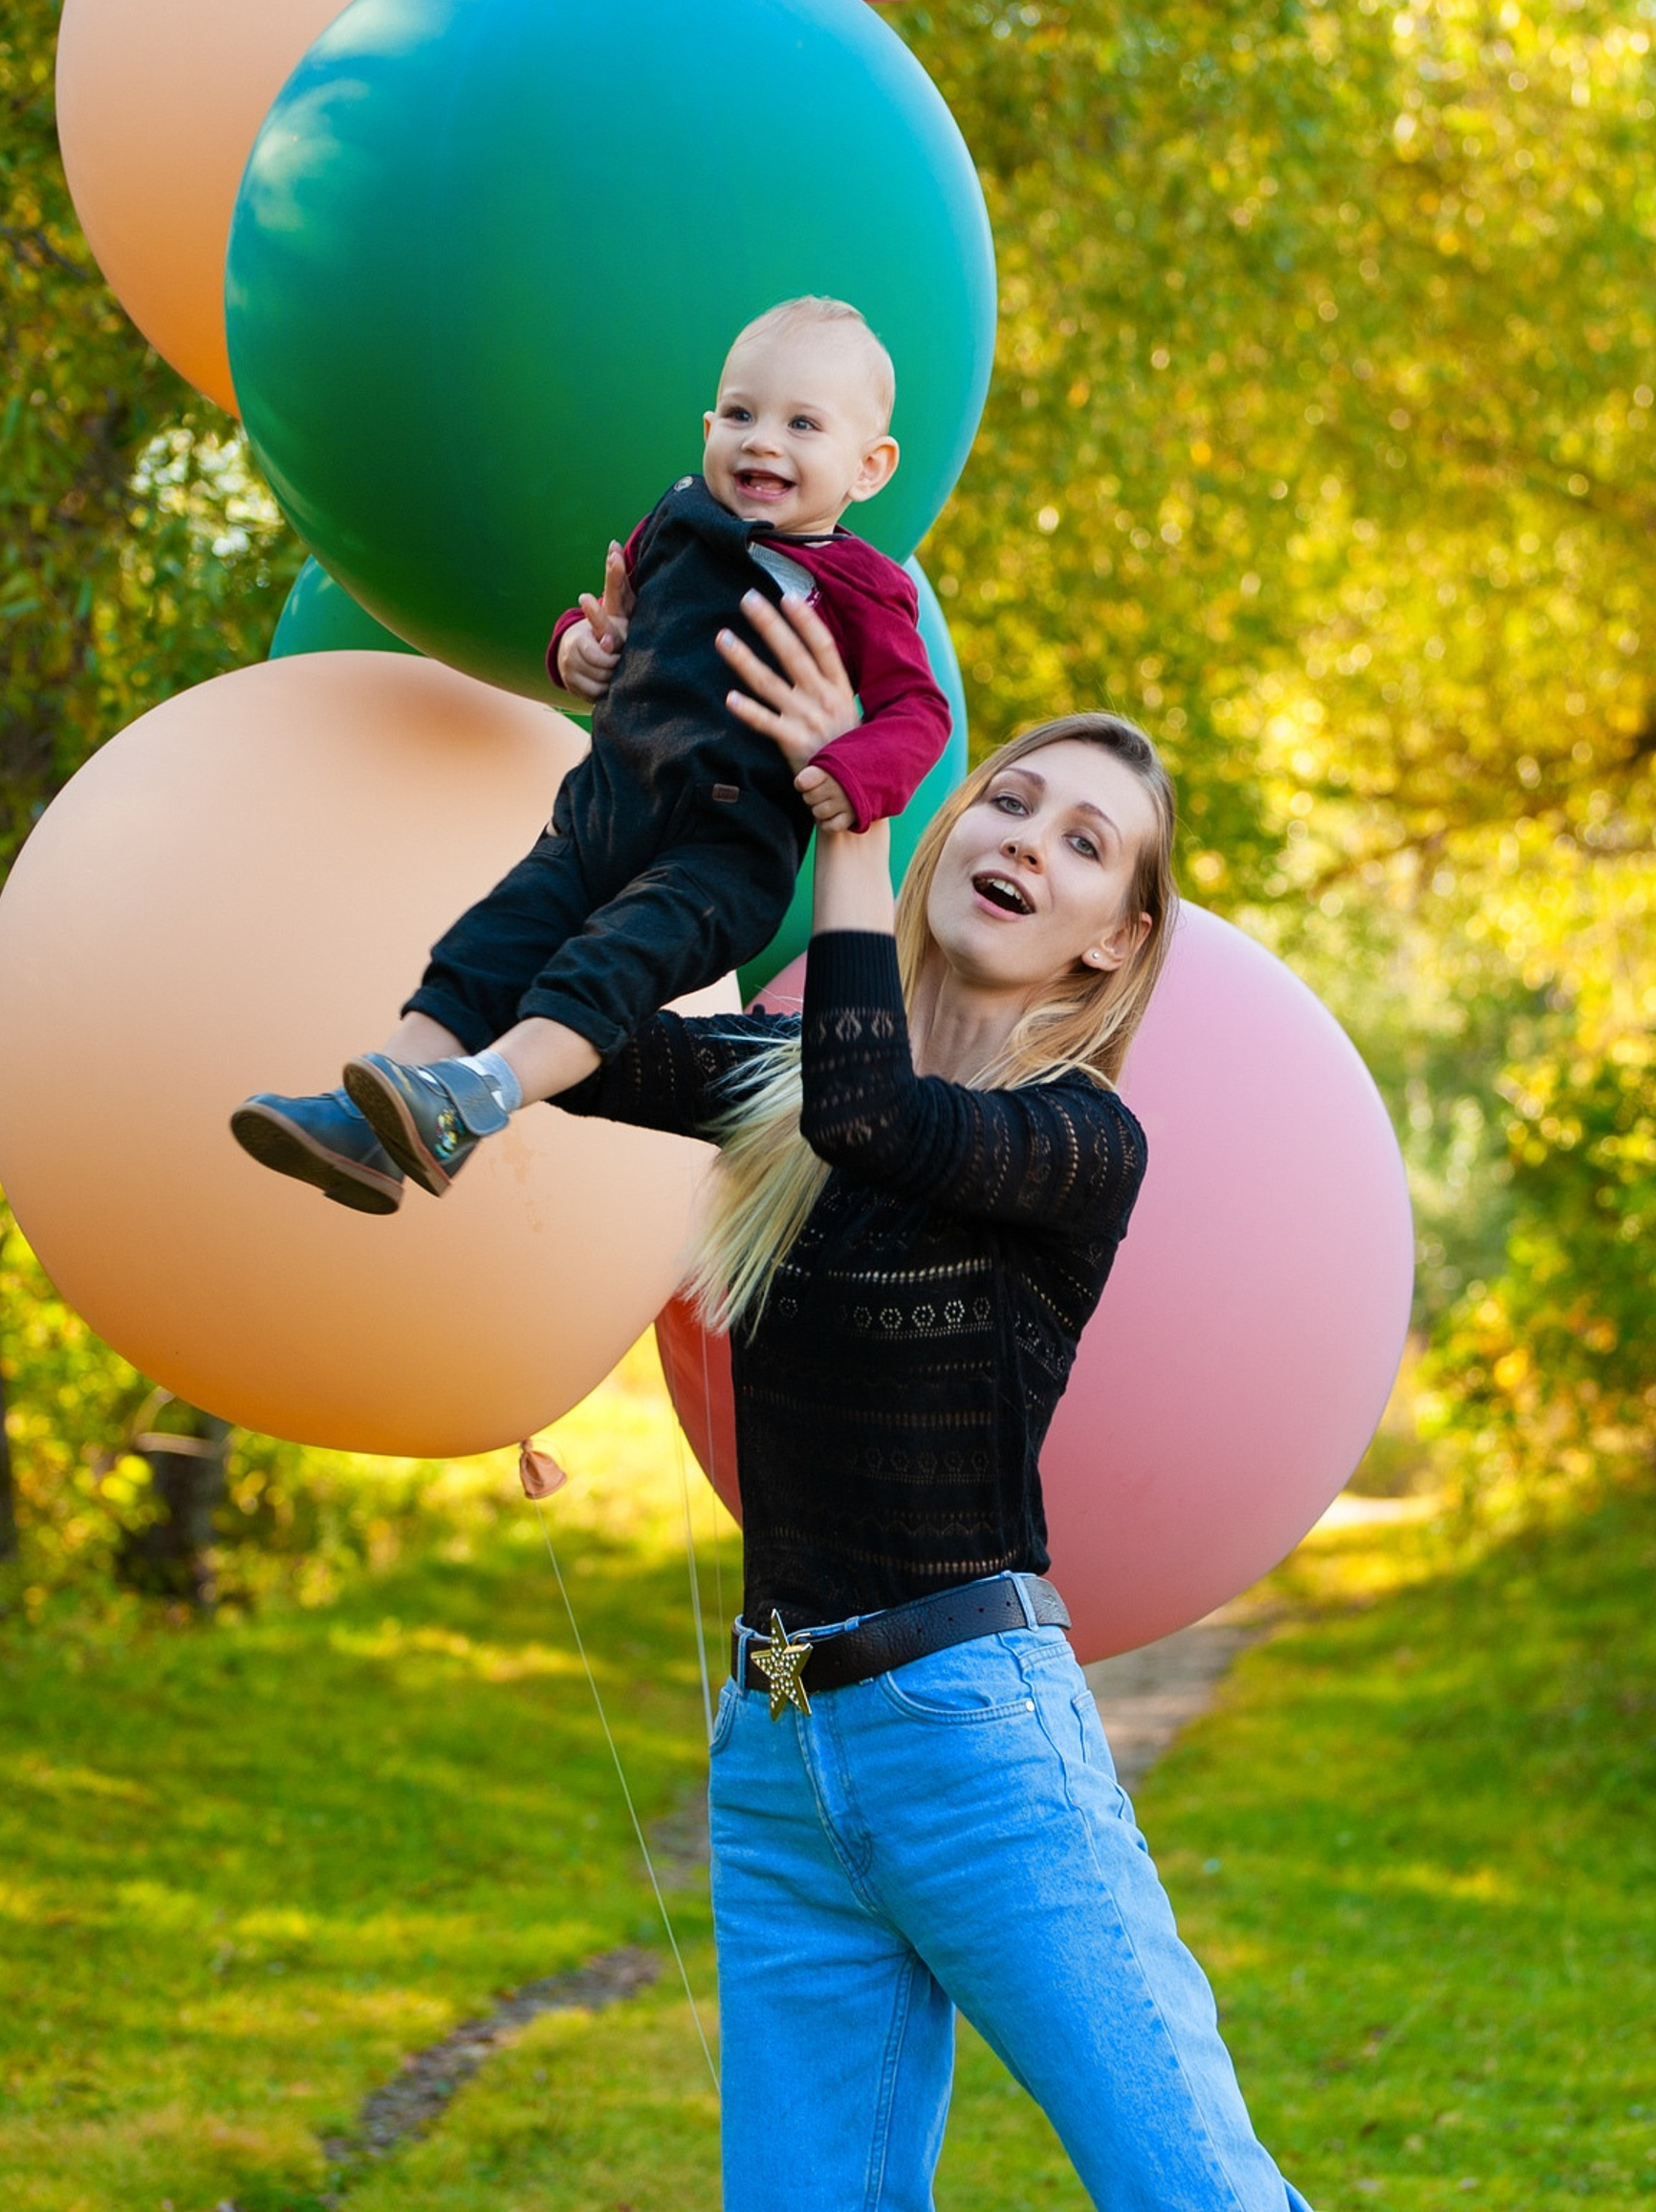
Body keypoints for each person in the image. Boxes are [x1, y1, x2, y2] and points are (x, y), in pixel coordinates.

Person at [554, 594, 1312, 2212]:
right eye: (1013, 796)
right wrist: (632, 740)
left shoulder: (1075, 1144)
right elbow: (584, 1035)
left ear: (1114, 935)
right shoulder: (785, 1076)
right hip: (772, 1759)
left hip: (975, 1747)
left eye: (1090, 840)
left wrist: (846, 817)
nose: (1029, 834)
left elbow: (874, 1111)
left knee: (1198, 2193)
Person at [229, 295, 951, 1215]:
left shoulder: (860, 588)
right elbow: (616, 623)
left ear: (869, 467)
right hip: (600, 813)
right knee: (486, 948)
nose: (762, 441)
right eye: (740, 414)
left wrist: (852, 771)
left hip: (720, 854)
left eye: (802, 424)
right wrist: (580, 646)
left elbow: (916, 711)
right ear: (707, 426)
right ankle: (371, 1117)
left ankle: (476, 1098)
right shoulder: (682, 514)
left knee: (606, 965)